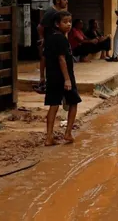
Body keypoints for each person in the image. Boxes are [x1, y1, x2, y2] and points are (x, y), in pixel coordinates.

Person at [43, 10, 82, 146]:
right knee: (74, 102)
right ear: (57, 24)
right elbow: (62, 59)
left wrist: (42, 76)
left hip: (52, 76)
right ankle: (68, 133)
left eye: (70, 22)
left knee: (53, 105)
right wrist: (67, 79)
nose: (69, 24)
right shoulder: (61, 39)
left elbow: (43, 58)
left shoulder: (49, 38)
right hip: (63, 76)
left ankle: (49, 137)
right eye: (65, 22)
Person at [36, 0, 70, 94]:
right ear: (58, 1)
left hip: (58, 42)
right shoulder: (50, 12)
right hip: (50, 42)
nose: (67, 1)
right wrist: (42, 38)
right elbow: (40, 27)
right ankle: (43, 81)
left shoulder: (61, 13)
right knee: (46, 59)